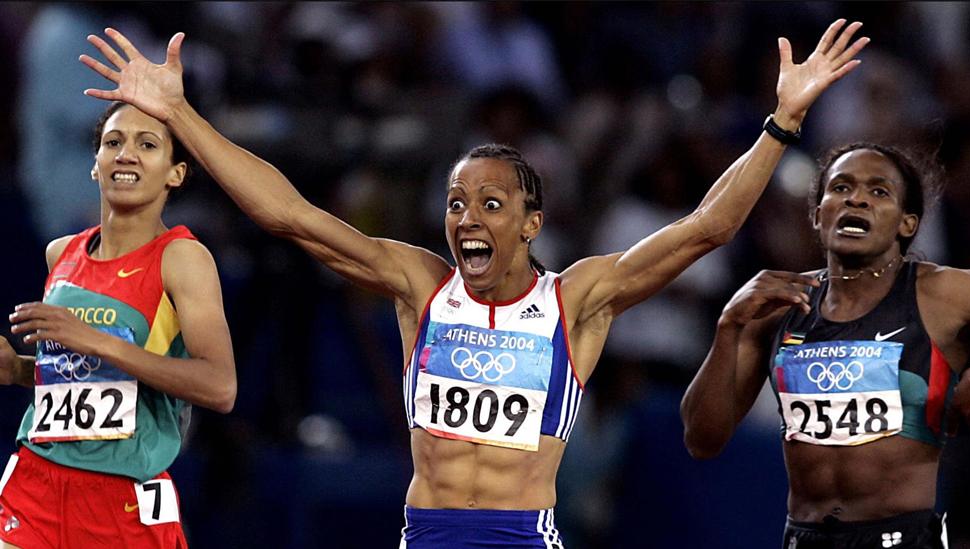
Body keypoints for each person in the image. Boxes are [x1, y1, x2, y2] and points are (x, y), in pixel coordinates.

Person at [80, 20, 866, 547]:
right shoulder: (420, 285)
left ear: (531, 222)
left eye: (491, 203)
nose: (467, 219)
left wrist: (781, 124)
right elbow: (289, 215)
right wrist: (179, 116)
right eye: (457, 202)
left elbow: (706, 228)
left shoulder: (576, 299)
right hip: (425, 533)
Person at [681, 141, 970, 548]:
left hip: (903, 537)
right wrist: (729, 326)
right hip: (804, 537)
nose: (856, 198)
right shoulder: (777, 306)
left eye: (879, 191)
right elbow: (701, 440)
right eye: (841, 188)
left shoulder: (943, 294)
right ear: (819, 216)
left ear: (907, 224)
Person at [0, 101, 236, 548]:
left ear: (176, 173)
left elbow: (220, 386)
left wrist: (96, 342)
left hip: (122, 499)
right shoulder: (61, 254)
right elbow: (81, 377)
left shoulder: (182, 259)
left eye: (147, 145)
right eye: (113, 142)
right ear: (95, 166)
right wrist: (16, 370)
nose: (126, 154)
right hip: (35, 485)